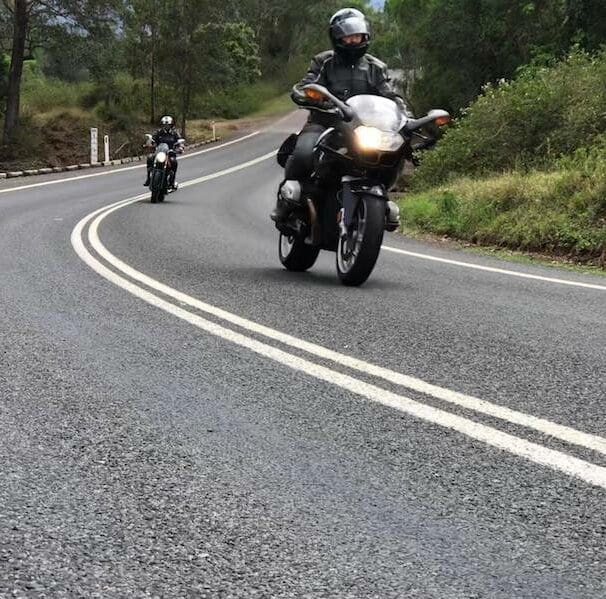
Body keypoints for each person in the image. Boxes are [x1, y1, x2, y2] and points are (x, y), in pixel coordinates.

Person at [271, 7, 411, 223]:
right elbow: (305, 86)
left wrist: (404, 117)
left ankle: (381, 201)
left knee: (393, 154)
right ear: (337, 37)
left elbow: (391, 96)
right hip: (324, 123)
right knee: (303, 152)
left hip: (361, 127)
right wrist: (310, 97)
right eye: (348, 36)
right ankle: (285, 203)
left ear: (365, 36)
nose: (353, 41)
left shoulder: (376, 67)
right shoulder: (324, 61)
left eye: (357, 36)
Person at [144, 115, 182, 188]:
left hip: (170, 153)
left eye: (168, 124)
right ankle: (148, 177)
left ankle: (172, 181)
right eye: (165, 124)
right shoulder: (158, 132)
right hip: (159, 152)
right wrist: (149, 143)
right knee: (150, 157)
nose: (166, 126)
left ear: (171, 125)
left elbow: (179, 141)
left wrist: (180, 147)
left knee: (174, 161)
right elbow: (152, 140)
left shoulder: (174, 133)